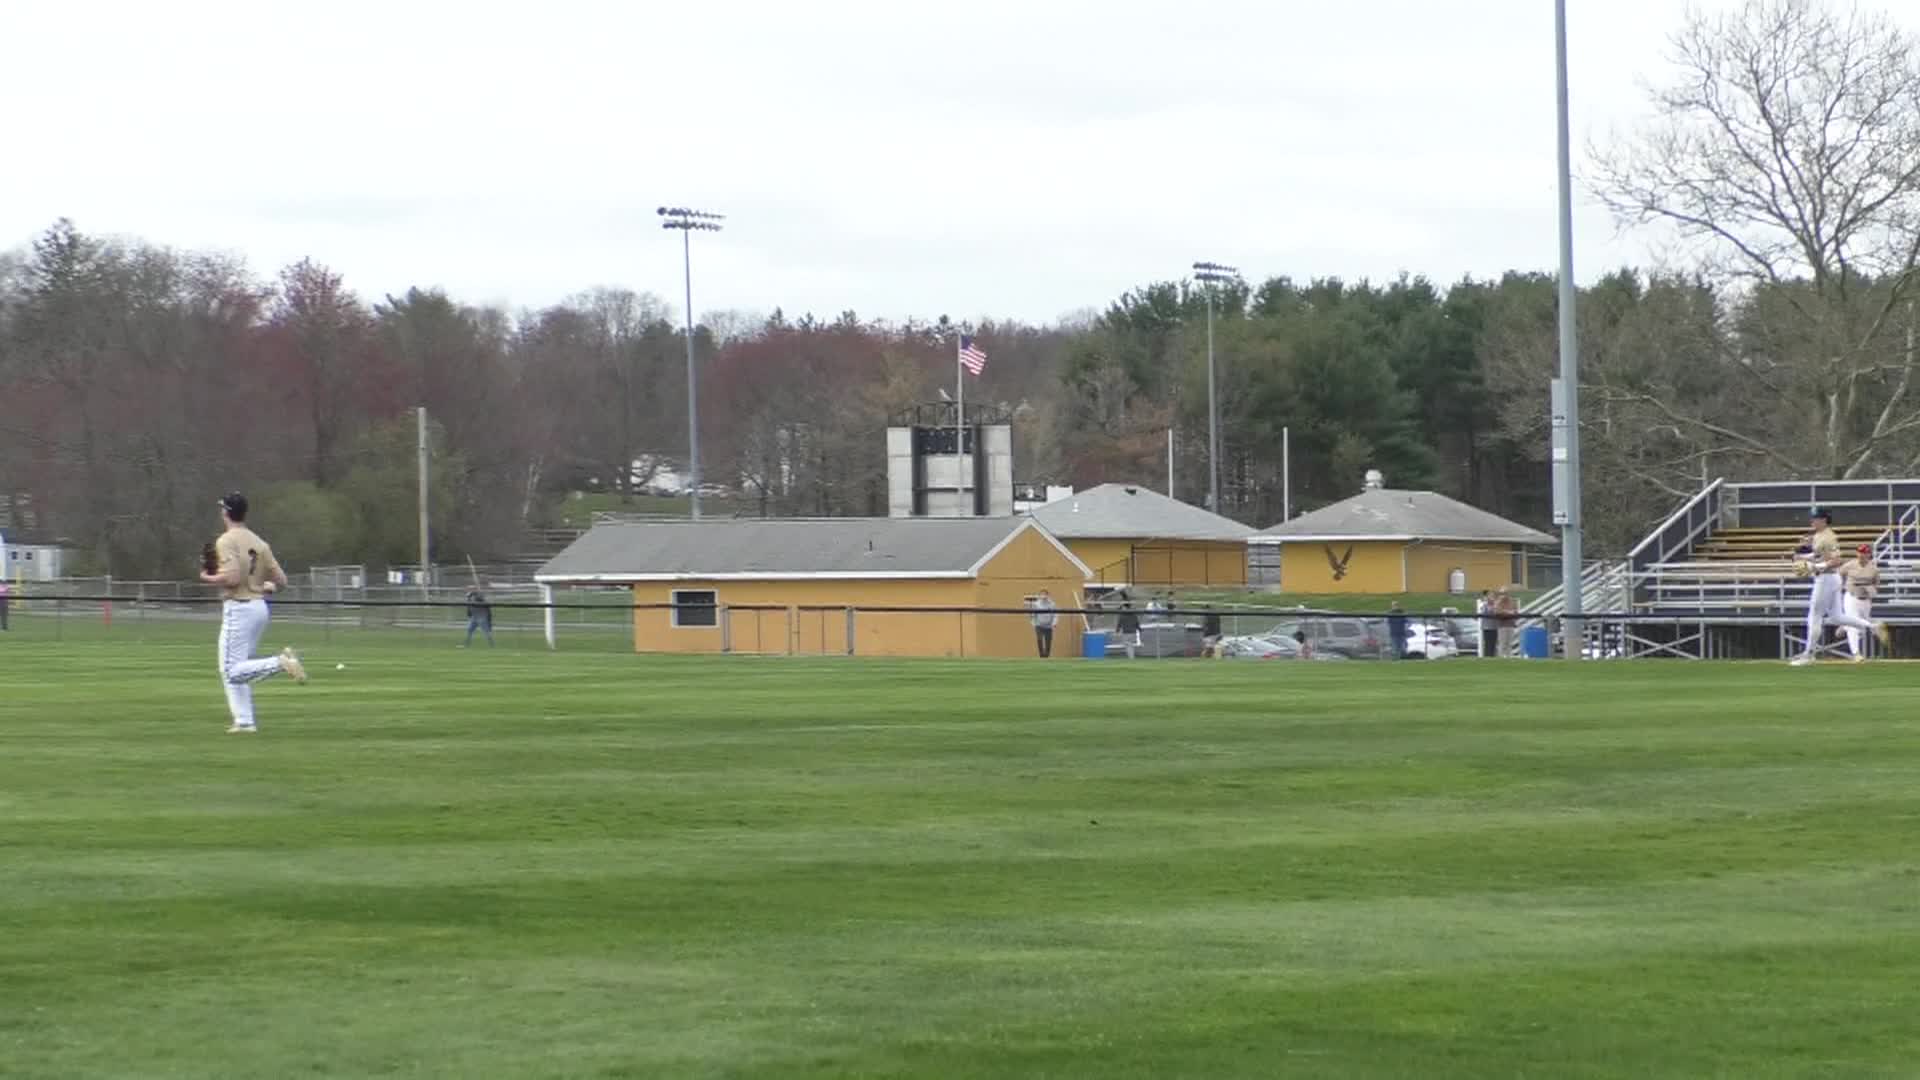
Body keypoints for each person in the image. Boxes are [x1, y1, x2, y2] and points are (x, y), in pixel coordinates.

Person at [201, 492, 306, 733]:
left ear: (226, 513)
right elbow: (281, 581)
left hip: (239, 607)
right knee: (239, 666)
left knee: (231, 670)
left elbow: (232, 578)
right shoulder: (259, 543)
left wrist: (208, 577)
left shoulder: (226, 541)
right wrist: (265, 586)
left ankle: (281, 663)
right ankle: (244, 721)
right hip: (259, 608)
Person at [1792, 507, 1889, 666]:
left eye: (1815, 518)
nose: (1812, 521)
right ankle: (1873, 626)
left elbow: (1836, 561)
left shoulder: (1828, 537)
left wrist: (1814, 567)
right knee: (1837, 617)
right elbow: (1819, 556)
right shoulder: (1818, 535)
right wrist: (1803, 557)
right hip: (1830, 578)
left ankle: (1808, 655)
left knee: (1814, 616)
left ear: (1824, 520)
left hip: (1826, 579)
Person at [1843, 544, 1881, 662]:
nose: (1861, 555)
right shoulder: (1850, 565)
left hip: (1865, 600)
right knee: (1854, 625)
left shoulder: (1874, 569)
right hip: (1851, 597)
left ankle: (1844, 625)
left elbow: (1876, 585)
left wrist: (1870, 590)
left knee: (1860, 627)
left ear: (1869, 554)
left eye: (1864, 552)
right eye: (1860, 552)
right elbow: (1839, 573)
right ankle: (1856, 653)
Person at [1029, 589, 1058, 658]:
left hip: (1048, 626)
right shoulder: (1036, 604)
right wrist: (1033, 623)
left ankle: (1046, 656)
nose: (1044, 596)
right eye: (1042, 594)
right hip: (1039, 625)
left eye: (1045, 594)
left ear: (1048, 595)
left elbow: (1055, 615)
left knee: (1048, 642)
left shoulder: (1052, 604)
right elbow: (1033, 615)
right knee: (1039, 640)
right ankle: (1041, 656)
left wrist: (1054, 623)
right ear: (1040, 595)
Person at [1492, 586, 1519, 658]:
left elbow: (1515, 612)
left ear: (1508, 593)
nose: (1503, 595)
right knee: (1502, 643)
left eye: (1505, 593)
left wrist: (1507, 612)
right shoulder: (1498, 602)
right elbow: (1497, 612)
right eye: (1502, 593)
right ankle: (1501, 658)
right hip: (1502, 625)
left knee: (1509, 644)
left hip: (1511, 625)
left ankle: (1509, 658)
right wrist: (1508, 612)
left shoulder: (1512, 602)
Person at [1475, 591, 1495, 658]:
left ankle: (1492, 656)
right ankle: (1487, 656)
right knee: (1488, 643)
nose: (1492, 598)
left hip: (1494, 627)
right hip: (1487, 627)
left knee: (1493, 643)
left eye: (1493, 596)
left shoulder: (1495, 604)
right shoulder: (1485, 605)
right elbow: (1484, 612)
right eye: (1491, 596)